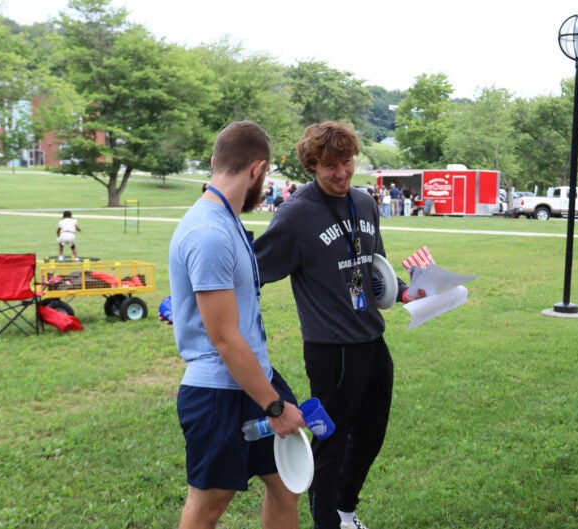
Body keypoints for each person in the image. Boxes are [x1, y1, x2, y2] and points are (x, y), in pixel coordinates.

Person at [254, 121, 424, 529]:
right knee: (330, 445)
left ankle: (345, 512)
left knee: (370, 436)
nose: (342, 173)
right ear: (312, 165)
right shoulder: (295, 215)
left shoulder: (364, 202)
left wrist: (405, 292)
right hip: (331, 351)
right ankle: (327, 523)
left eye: (347, 162)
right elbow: (250, 269)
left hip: (372, 341)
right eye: (330, 165)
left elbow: (375, 270)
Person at [168, 120, 307, 529]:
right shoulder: (209, 232)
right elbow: (225, 339)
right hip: (217, 392)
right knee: (210, 502)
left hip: (255, 377)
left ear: (215, 162)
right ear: (257, 171)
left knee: (286, 485)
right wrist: (275, 406)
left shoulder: (225, 223)